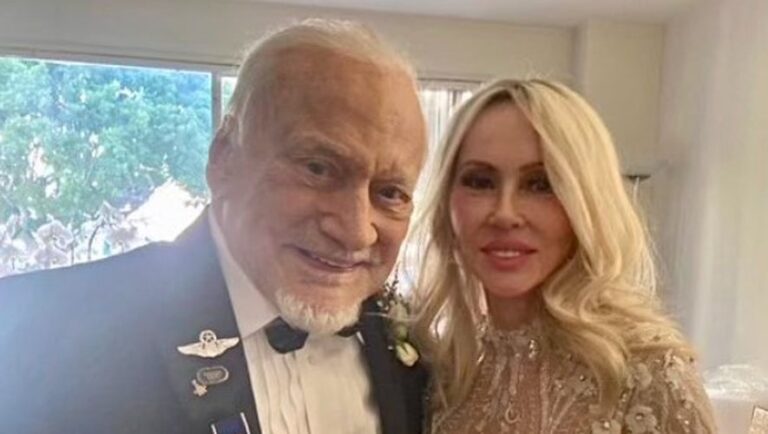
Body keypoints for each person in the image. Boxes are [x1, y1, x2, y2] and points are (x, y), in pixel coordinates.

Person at [0, 19, 428, 434]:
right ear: (224, 157)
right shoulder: (36, 334)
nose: (356, 231)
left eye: (390, 193)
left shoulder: (413, 351)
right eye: (318, 168)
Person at [410, 78, 717, 433]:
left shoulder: (650, 374)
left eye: (540, 184)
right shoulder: (443, 370)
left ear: (585, 202)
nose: (505, 213)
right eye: (480, 182)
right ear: (446, 201)